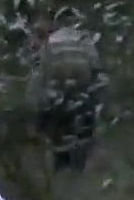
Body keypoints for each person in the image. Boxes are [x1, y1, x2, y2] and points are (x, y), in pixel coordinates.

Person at [29, 9, 105, 173]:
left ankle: (60, 163)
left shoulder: (51, 42)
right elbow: (95, 65)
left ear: (57, 24)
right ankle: (79, 162)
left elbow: (43, 71)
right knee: (86, 128)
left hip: (58, 94)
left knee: (55, 128)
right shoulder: (85, 40)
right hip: (81, 93)